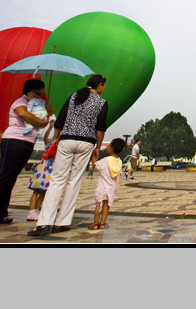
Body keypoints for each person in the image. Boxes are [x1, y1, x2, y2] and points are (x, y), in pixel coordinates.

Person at [29, 74, 109, 236]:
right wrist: (98, 147)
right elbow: (100, 128)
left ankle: (44, 224)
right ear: (99, 85)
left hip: (67, 139)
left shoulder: (74, 97)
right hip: (86, 142)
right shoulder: (102, 102)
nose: (104, 88)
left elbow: (61, 119)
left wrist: (56, 137)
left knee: (57, 180)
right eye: (104, 86)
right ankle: (63, 222)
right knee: (74, 181)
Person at [0, 79, 52, 228]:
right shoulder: (20, 102)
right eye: (37, 91)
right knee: (4, 176)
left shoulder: (36, 105)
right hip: (14, 140)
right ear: (28, 91)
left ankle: (1, 213)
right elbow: (23, 115)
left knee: (11, 178)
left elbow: (45, 116)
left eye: (41, 91)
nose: (40, 93)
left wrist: (47, 111)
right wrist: (42, 122)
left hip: (28, 142)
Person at [88, 138, 126, 230]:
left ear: (112, 149)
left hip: (102, 187)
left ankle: (95, 224)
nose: (107, 147)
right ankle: (102, 223)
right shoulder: (119, 162)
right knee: (106, 205)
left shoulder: (106, 160)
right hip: (111, 188)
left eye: (108, 146)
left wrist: (93, 156)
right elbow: (119, 173)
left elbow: (95, 165)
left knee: (99, 205)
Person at [26, 119, 57, 221]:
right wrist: (50, 127)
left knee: (43, 193)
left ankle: (37, 211)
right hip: (42, 171)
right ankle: (31, 211)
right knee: (35, 192)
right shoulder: (49, 145)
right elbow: (45, 137)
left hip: (49, 172)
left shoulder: (58, 148)